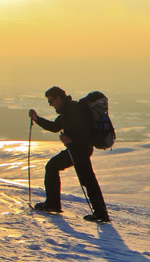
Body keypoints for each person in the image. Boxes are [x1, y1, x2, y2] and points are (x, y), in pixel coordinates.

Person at [29, 86, 111, 223]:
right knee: (86, 180)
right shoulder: (68, 111)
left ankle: (54, 204)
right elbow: (55, 127)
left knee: (56, 169)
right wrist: (36, 119)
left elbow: (84, 133)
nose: (50, 104)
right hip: (78, 149)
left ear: (58, 98)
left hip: (79, 149)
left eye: (51, 101)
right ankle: (100, 213)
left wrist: (70, 141)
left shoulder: (73, 111)